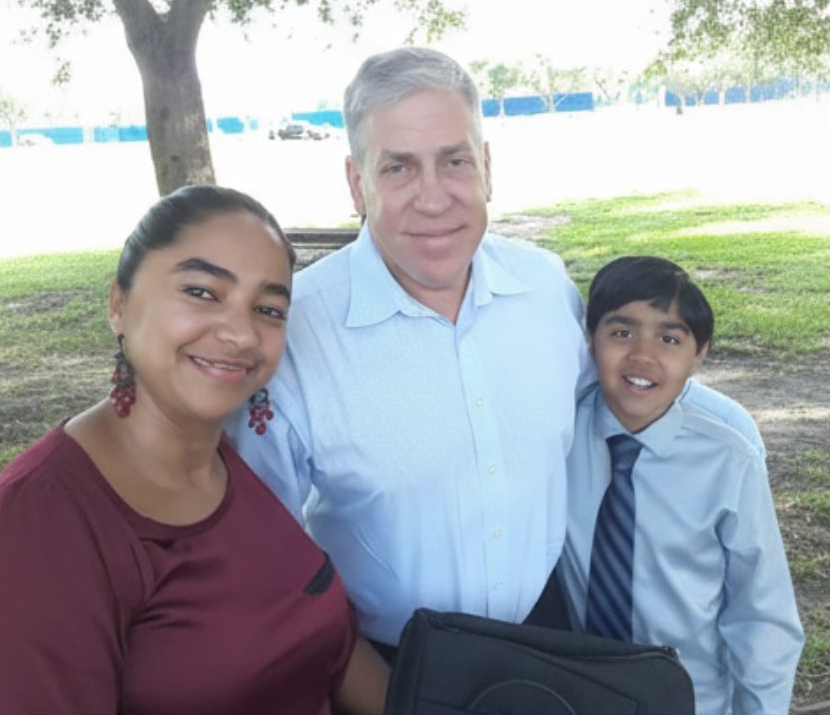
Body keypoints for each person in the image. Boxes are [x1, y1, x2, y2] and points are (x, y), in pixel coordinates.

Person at [0, 185, 389, 715]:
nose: (241, 333)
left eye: (268, 308)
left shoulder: (227, 466)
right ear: (119, 304)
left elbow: (332, 645)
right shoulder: (41, 523)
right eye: (202, 291)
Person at [231, 47, 592, 650]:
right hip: (381, 670)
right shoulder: (299, 333)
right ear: (357, 183)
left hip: (547, 643)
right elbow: (257, 544)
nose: (432, 198)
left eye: (454, 162)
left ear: (486, 165)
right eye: (398, 168)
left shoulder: (547, 290)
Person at [560, 256, 803, 715]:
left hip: (691, 700)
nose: (642, 356)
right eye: (621, 332)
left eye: (669, 338)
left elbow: (761, 612)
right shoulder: (558, 438)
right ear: (590, 339)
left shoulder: (729, 462)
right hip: (578, 694)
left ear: (700, 355)